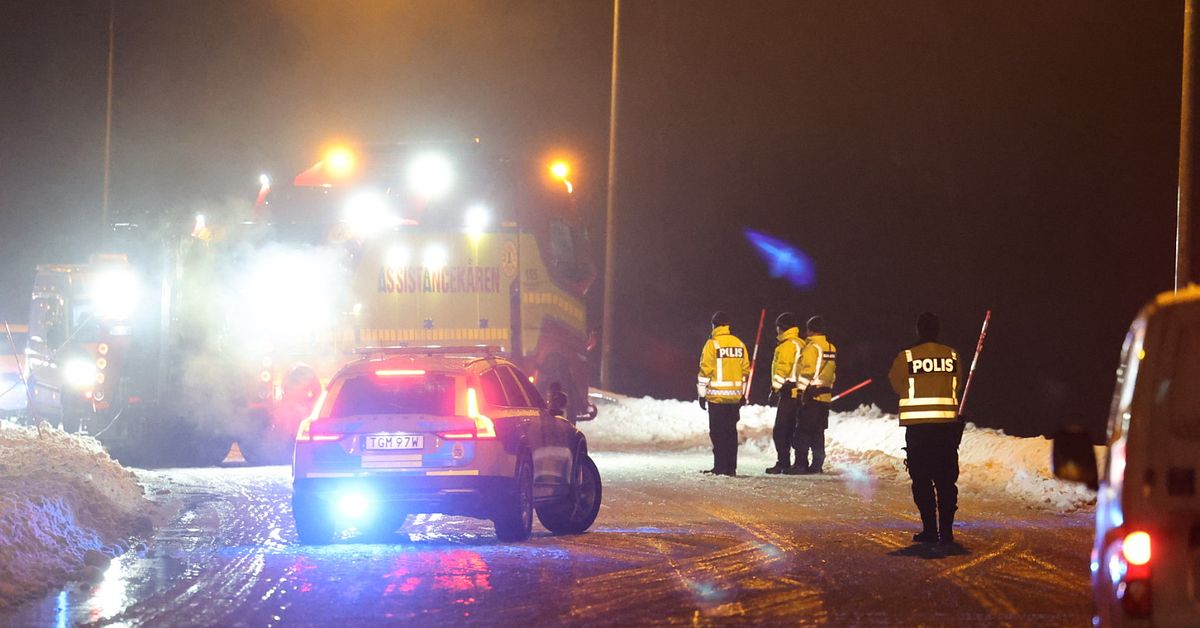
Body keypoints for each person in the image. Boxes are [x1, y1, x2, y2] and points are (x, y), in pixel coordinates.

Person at [888, 312, 963, 544]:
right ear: (938, 330)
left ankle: (930, 530)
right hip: (946, 429)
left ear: (918, 330)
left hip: (919, 430)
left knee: (922, 481)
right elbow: (957, 384)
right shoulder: (952, 355)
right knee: (946, 481)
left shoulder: (907, 356)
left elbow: (895, 383)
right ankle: (947, 532)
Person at [697, 311, 750, 476]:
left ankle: (720, 467)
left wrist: (701, 393)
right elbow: (745, 371)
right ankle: (731, 468)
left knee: (718, 434)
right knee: (730, 433)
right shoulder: (739, 344)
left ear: (714, 325)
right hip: (734, 399)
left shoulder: (712, 344)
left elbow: (705, 372)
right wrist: (741, 394)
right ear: (728, 325)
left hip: (717, 399)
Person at [790, 315, 836, 475]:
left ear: (810, 329)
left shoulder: (812, 348)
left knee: (802, 431)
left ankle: (800, 464)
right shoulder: (830, 347)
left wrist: (800, 391)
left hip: (811, 396)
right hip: (825, 396)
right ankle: (817, 465)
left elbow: (807, 371)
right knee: (818, 432)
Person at [766, 312, 804, 474]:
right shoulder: (801, 343)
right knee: (794, 429)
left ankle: (783, 462)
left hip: (789, 392)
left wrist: (775, 388)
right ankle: (799, 462)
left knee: (781, 430)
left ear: (781, 328)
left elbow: (782, 369)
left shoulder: (787, 345)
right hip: (801, 392)